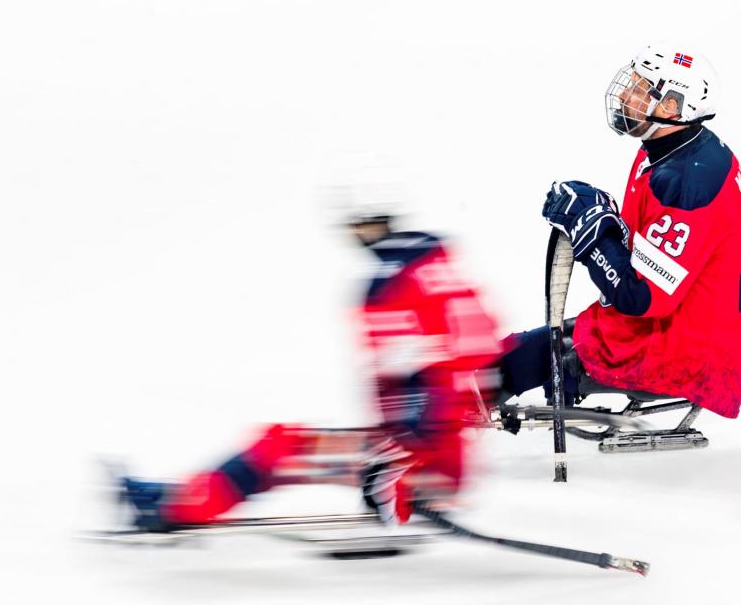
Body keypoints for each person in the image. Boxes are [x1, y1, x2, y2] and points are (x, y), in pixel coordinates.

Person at [120, 204, 503, 532]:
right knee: (283, 443)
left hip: (421, 465)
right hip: (424, 451)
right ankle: (181, 494)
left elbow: (436, 381)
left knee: (280, 448)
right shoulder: (437, 270)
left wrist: (403, 459)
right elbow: (467, 362)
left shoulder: (396, 286)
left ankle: (175, 508)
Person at [500, 46, 741, 419]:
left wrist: (592, 235)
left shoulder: (687, 181)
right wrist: (604, 222)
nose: (625, 95)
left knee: (517, 361)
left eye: (639, 89)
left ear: (672, 107)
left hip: (682, 355)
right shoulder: (674, 151)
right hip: (681, 329)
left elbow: (641, 298)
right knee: (515, 353)